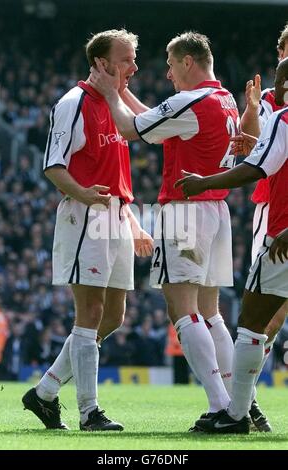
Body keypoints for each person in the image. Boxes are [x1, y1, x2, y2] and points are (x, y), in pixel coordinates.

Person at [89, 31, 239, 425]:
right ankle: (241, 402)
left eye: (172, 65)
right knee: (211, 312)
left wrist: (108, 93)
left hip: (186, 212)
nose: (168, 74)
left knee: (182, 308)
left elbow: (129, 129)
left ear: (188, 61)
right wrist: (122, 93)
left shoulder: (190, 101)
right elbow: (151, 120)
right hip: (217, 211)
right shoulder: (224, 99)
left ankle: (220, 406)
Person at [22, 29, 153, 431]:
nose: (133, 67)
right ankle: (89, 412)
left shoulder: (113, 106)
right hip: (85, 214)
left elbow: (116, 174)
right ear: (100, 62)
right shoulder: (72, 102)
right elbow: (52, 164)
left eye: (134, 58)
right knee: (92, 312)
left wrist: (132, 223)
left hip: (115, 214)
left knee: (114, 315)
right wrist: (84, 194)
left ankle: (43, 392)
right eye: (126, 59)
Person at [175, 56, 288, 433]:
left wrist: (204, 183)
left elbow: (254, 169)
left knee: (252, 323)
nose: (279, 86)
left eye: (283, 79)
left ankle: (237, 414)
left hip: (283, 239)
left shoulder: (286, 120)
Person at [239, 23, 288, 430]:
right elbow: (250, 148)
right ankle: (245, 401)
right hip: (275, 212)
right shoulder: (271, 99)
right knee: (269, 316)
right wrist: (253, 111)